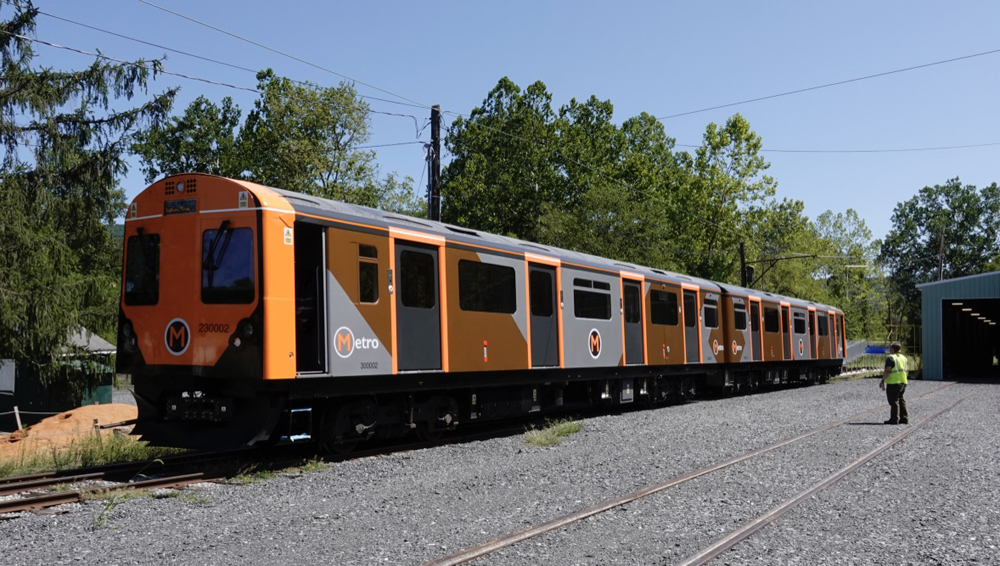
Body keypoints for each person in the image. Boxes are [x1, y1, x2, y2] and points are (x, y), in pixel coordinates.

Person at [880, 342, 908, 424]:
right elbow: (907, 370)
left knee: (893, 401)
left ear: (892, 349)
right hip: (903, 381)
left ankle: (894, 418)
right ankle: (904, 418)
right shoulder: (904, 358)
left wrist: (883, 380)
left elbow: (888, 370)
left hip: (893, 382)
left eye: (890, 348)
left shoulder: (890, 358)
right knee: (901, 399)